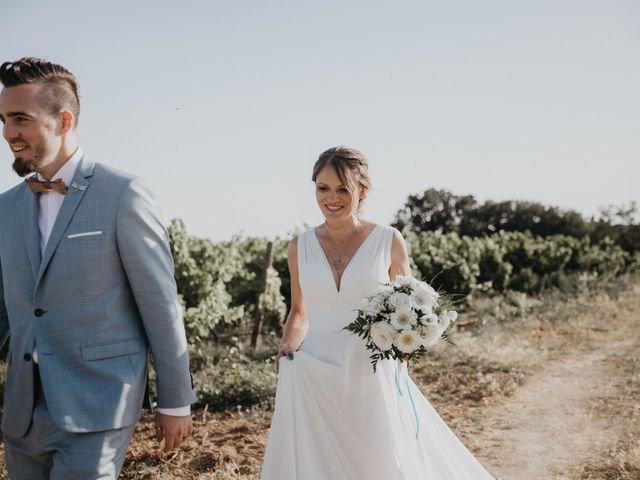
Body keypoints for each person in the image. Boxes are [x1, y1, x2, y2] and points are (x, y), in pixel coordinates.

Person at [0, 57, 196, 479]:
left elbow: (160, 305)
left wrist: (175, 400)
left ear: (64, 120)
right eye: (2, 119)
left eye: (20, 119)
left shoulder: (124, 194)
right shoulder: (4, 208)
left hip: (99, 403)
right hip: (21, 413)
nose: (7, 133)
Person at [260, 146, 495, 479]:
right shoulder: (299, 246)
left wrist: (405, 345)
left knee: (376, 462)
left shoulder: (388, 240)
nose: (332, 197)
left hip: (370, 372)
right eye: (323, 188)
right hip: (316, 374)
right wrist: (286, 348)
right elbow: (299, 314)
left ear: (362, 191)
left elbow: (411, 307)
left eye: (344, 189)